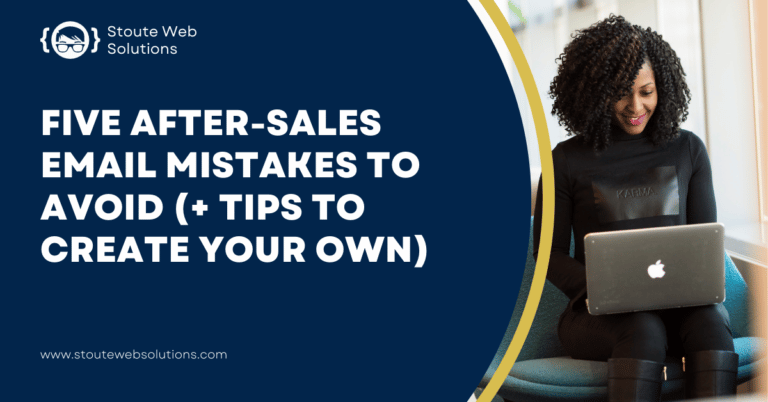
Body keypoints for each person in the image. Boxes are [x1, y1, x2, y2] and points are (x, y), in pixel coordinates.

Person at [532, 15, 737, 401]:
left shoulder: (688, 149)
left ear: (664, 88)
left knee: (710, 324)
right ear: (594, 93)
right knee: (643, 327)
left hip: (681, 309)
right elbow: (549, 255)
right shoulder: (564, 160)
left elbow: (702, 246)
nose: (635, 106)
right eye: (620, 93)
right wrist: (607, 288)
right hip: (597, 316)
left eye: (647, 91)